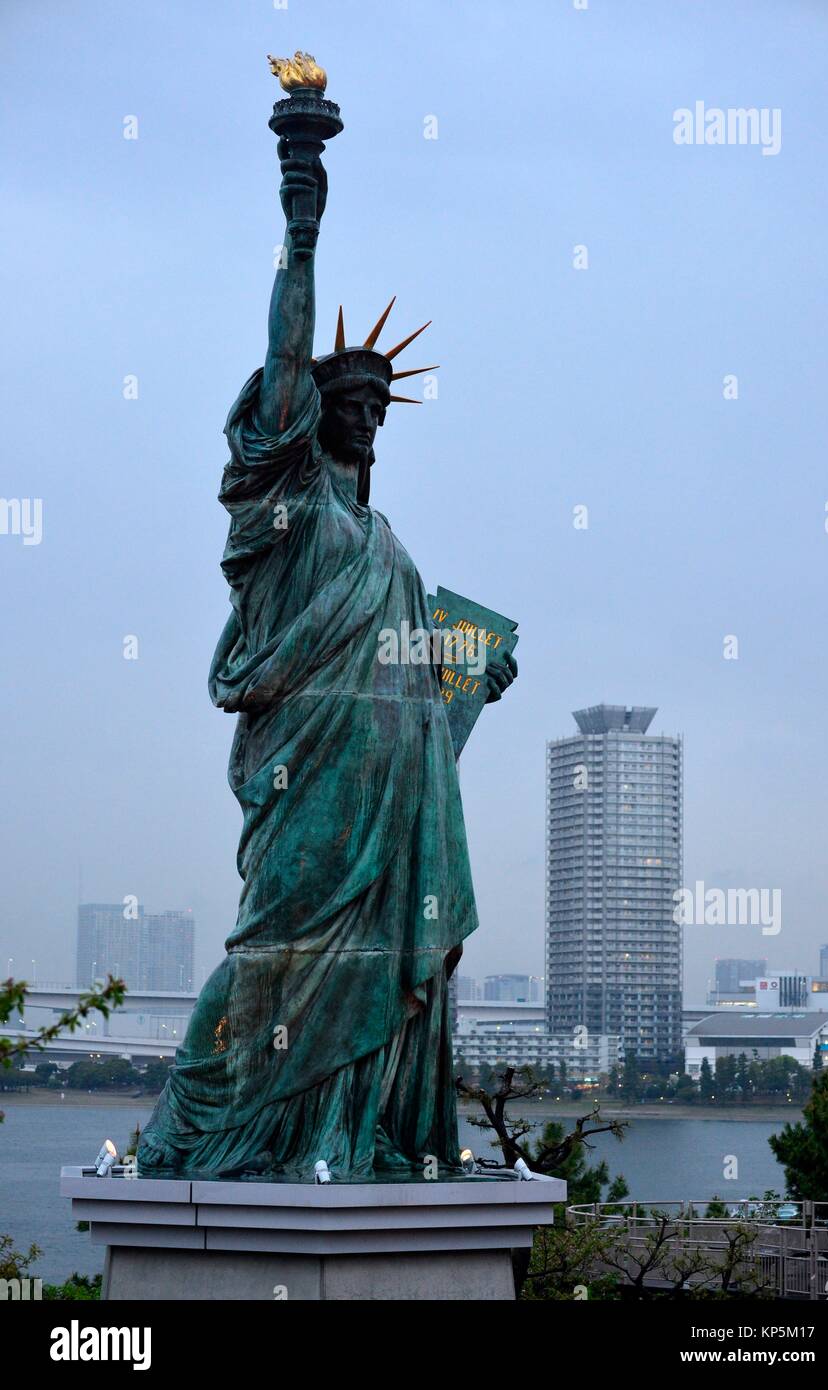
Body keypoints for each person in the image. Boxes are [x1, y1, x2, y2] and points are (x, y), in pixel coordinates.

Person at [137, 147, 516, 1179]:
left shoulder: (388, 541)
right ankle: (197, 1122)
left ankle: (346, 1133)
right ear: (303, 415)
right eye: (343, 392)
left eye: (377, 400)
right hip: (308, 771)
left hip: (389, 787)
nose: (364, 405)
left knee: (373, 959)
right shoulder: (291, 510)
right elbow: (286, 351)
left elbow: (413, 687)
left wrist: (465, 678)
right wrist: (301, 219)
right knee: (276, 945)